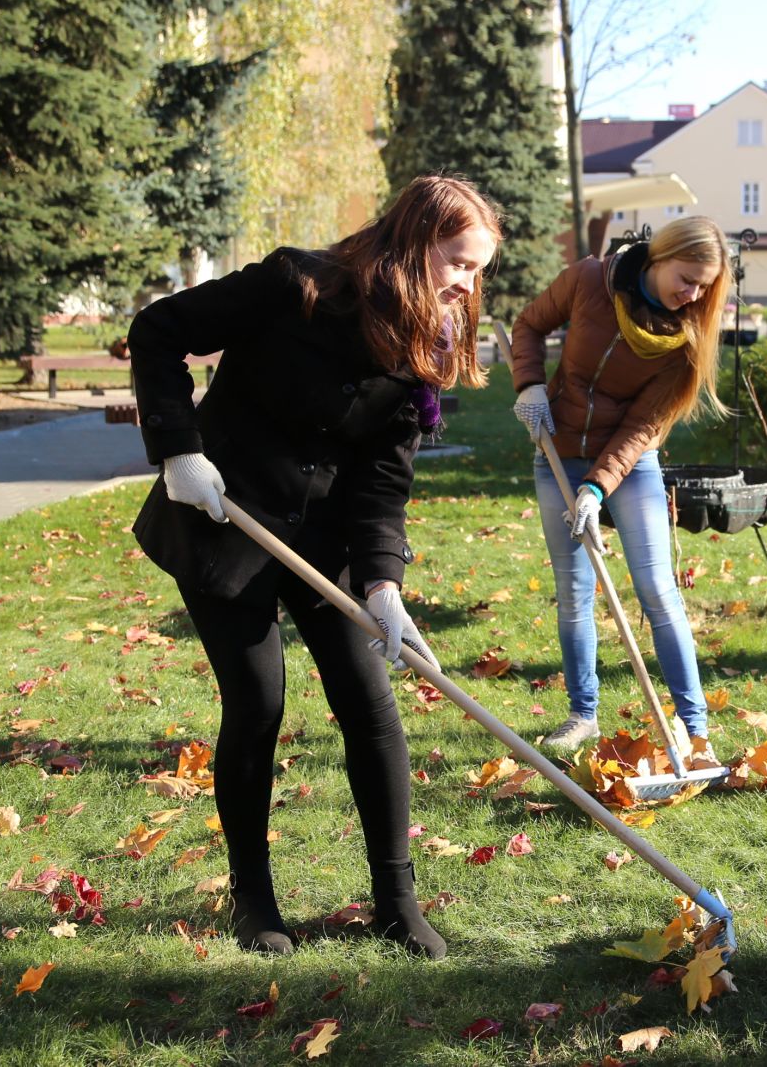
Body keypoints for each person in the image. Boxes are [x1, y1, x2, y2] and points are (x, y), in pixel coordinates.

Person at [127, 175, 501, 957]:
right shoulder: (293, 284)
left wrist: (384, 586)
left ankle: (397, 901)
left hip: (322, 540)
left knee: (370, 704)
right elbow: (158, 330)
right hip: (222, 516)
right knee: (258, 702)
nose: (466, 284)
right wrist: (178, 450)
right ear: (413, 239)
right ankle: (253, 900)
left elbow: (381, 481)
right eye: (457, 261)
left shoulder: (425, 339)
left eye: (478, 270)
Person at [508, 217, 730, 755]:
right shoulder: (589, 280)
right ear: (657, 258)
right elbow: (529, 325)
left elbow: (641, 428)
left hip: (632, 465)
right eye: (686, 278)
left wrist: (597, 487)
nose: (693, 295)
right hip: (556, 450)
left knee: (657, 590)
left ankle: (695, 729)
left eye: (704, 286)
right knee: (574, 595)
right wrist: (531, 385)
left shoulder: (686, 340)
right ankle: (583, 715)